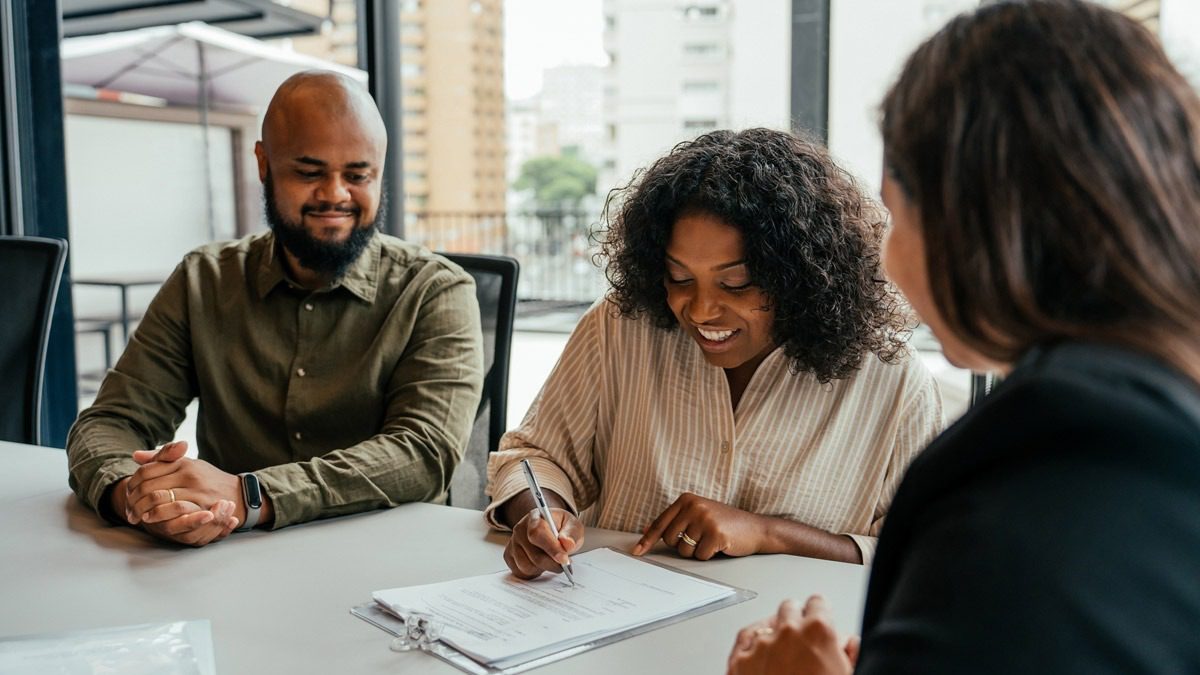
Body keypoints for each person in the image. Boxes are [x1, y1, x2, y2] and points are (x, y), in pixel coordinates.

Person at [727, 2, 1200, 673]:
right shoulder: (1152, 424)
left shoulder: (1021, 484)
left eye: (897, 217)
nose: (887, 259)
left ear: (969, 226)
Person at [486, 128, 943, 579]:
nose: (701, 310)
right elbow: (533, 456)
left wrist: (770, 533)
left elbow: (924, 553)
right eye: (680, 278)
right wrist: (541, 515)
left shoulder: (893, 381)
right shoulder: (619, 327)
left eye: (736, 283)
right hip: (615, 619)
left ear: (801, 278)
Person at [66, 71, 484, 547]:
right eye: (309, 173)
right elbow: (112, 421)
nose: (335, 194)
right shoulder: (203, 280)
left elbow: (424, 453)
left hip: (390, 558)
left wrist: (250, 496)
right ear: (264, 164)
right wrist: (136, 497)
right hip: (229, 554)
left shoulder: (435, 290)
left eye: (357, 175)